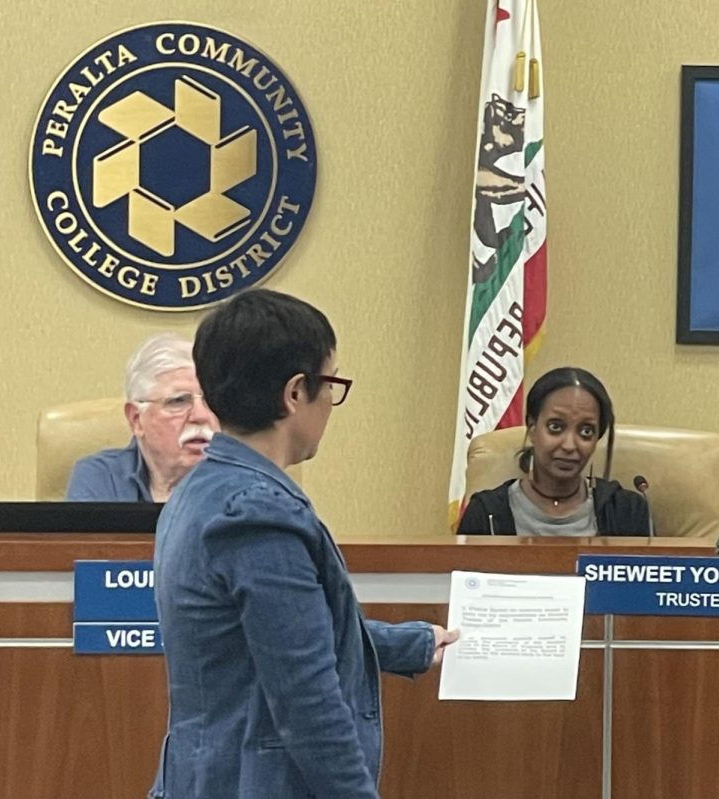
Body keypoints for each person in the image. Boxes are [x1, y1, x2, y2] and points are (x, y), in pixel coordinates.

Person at [149, 289, 459, 799]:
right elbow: (307, 701)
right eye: (331, 384)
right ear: (295, 393)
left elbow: (278, 637)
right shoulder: (258, 515)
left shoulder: (200, 491)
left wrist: (416, 643)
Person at [457, 366, 650, 536]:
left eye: (585, 431)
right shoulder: (484, 514)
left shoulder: (627, 512)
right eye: (556, 427)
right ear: (532, 429)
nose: (569, 445)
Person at [66, 332, 218, 502]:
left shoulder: (243, 479)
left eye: (210, 400)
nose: (201, 416)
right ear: (136, 420)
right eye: (178, 401)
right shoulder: (102, 478)